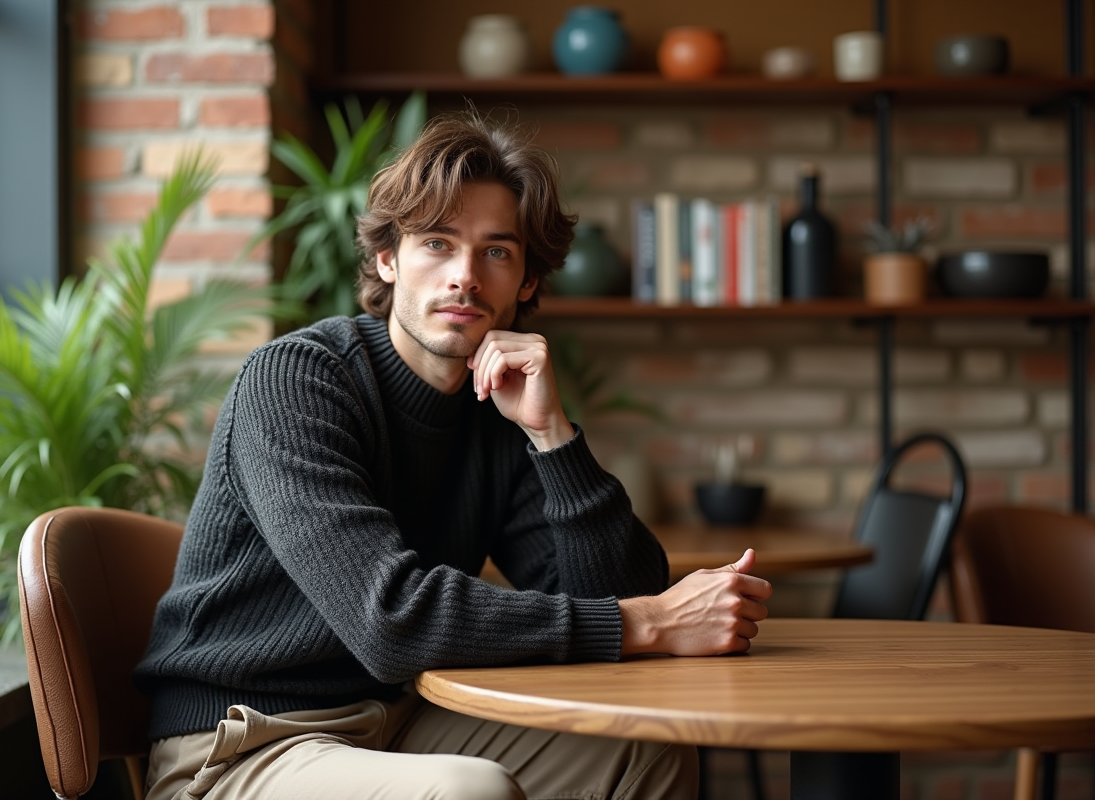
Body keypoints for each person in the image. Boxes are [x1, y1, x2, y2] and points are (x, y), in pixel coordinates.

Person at [135, 111, 773, 800]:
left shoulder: (496, 411)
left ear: (527, 281)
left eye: (497, 252)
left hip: (397, 721)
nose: (465, 276)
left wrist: (551, 434)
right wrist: (647, 624)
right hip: (241, 744)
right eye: (438, 244)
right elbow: (391, 621)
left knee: (645, 751)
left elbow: (616, 592)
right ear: (388, 258)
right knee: (467, 792)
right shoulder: (298, 382)